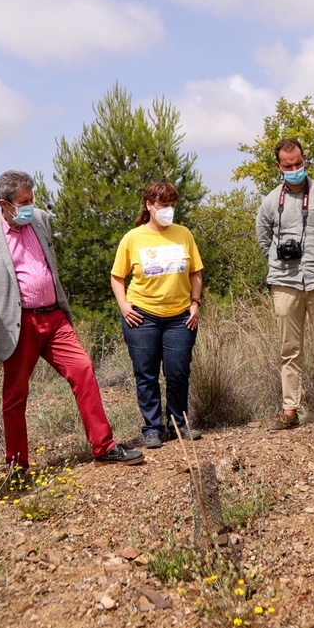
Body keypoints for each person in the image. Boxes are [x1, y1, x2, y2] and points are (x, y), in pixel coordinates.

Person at [0, 169, 144, 469]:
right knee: (15, 395)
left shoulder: (40, 220)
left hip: (55, 318)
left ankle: (104, 446)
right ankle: (17, 465)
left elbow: (50, 262)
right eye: (23, 202)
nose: (29, 207)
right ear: (3, 203)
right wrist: (4, 308)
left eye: (31, 200)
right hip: (18, 325)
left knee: (84, 370)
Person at [255, 139, 314, 435]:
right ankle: (290, 411)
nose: (294, 169)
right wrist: (280, 262)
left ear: (305, 159)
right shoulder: (270, 201)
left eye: (298, 163)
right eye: (288, 166)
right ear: (279, 167)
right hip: (285, 282)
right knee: (289, 349)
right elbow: (263, 240)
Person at [111, 181, 205, 449]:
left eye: (173, 205)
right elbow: (117, 276)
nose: (169, 211)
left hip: (180, 317)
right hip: (142, 316)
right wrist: (124, 305)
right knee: (146, 373)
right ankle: (153, 429)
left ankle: (179, 424)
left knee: (177, 372)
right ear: (149, 206)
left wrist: (196, 303)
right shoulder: (132, 238)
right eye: (164, 205)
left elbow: (195, 272)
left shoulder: (183, 234)